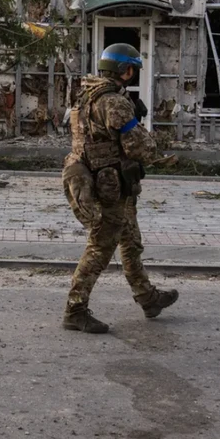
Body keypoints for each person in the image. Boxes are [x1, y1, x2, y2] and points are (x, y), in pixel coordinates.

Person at [61, 43, 178, 334]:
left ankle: (147, 297)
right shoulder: (113, 101)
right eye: (133, 69)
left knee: (130, 241)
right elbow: (137, 145)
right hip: (109, 184)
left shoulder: (86, 93)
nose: (134, 74)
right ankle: (75, 310)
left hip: (106, 180)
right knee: (101, 247)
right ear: (125, 70)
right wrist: (162, 153)